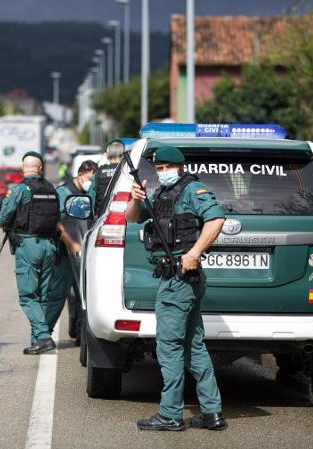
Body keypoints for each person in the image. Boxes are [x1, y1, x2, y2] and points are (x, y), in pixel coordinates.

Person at [125, 145, 227, 431]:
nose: (161, 172)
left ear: (179, 166)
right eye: (158, 169)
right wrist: (136, 198)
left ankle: (170, 415)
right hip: (177, 279)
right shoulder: (162, 194)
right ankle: (211, 412)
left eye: (165, 168)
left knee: (169, 347)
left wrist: (193, 254)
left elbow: (217, 219)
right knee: (194, 346)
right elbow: (132, 217)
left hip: (179, 279)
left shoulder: (193, 190)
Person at [0, 151, 78, 355]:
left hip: (29, 246)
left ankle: (42, 336)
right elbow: (57, 219)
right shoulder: (52, 190)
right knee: (42, 296)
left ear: (24, 168)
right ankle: (37, 341)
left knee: (27, 297)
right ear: (40, 169)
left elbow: (2, 218)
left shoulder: (21, 189)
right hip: (50, 247)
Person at [45, 160, 98, 343]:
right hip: (65, 253)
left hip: (83, 253)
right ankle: (42, 335)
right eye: (90, 178)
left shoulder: (86, 193)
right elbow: (56, 223)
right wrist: (72, 244)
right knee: (58, 294)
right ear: (81, 175)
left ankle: (81, 335)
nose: (91, 182)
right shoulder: (64, 192)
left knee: (82, 295)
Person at [88, 139, 125, 219]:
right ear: (123, 155)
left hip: (101, 218)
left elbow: (91, 197)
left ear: (107, 155)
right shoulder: (126, 171)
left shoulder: (99, 172)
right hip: (122, 217)